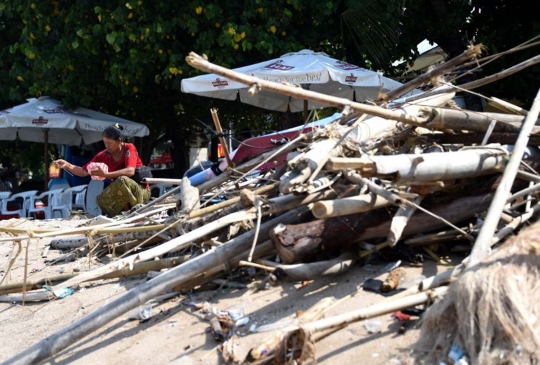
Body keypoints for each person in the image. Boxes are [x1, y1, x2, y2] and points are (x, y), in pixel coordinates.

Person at [54, 124, 150, 217]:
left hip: (141, 192)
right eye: (105, 142)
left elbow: (130, 171)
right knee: (100, 199)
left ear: (119, 141)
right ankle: (120, 216)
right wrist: (67, 165)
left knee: (122, 180)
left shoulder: (129, 148)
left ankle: (132, 212)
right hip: (122, 196)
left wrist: (106, 174)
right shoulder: (104, 155)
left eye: (109, 143)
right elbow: (83, 171)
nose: (107, 146)